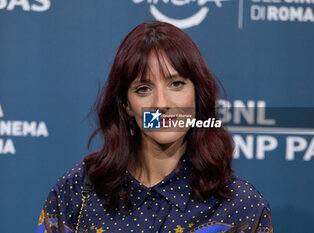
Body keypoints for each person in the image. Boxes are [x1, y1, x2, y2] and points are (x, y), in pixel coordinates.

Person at [36, 21, 273, 233]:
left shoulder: (241, 206)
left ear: (197, 95)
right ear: (126, 104)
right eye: (143, 89)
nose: (162, 104)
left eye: (176, 84)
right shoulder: (76, 191)